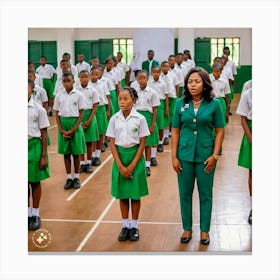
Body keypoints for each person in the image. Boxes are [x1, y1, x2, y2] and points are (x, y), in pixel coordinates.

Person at [171, 67, 225, 245]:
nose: (193, 85)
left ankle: (204, 230)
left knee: (205, 194)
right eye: (190, 82)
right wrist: (174, 156)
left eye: (197, 81)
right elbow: (176, 131)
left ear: (205, 83)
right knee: (185, 193)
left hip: (206, 156)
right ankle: (187, 228)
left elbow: (219, 131)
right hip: (184, 155)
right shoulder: (180, 103)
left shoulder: (214, 104)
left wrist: (215, 155)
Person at [106, 87, 150, 241]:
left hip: (135, 158)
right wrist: (120, 166)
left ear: (134, 101)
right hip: (120, 157)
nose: (122, 102)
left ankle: (135, 226)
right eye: (120, 99)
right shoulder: (114, 118)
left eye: (126, 99)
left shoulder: (140, 119)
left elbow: (143, 143)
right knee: (123, 195)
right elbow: (111, 142)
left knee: (135, 195)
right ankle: (125, 226)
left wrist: (131, 166)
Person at [53, 73, 86, 190]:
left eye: (68, 81)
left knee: (76, 153)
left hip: (75, 124)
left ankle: (76, 177)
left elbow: (81, 113)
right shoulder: (59, 95)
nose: (66, 83)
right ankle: (68, 177)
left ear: (73, 82)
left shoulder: (79, 95)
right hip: (63, 124)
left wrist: (74, 129)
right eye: (64, 81)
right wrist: (61, 129)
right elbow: (56, 113)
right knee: (66, 154)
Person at [28, 79, 50, 230]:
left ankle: (35, 213)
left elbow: (43, 133)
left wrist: (43, 156)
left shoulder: (38, 109)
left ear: (32, 90)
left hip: (34, 146)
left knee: (35, 182)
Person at [134, 70, 160, 176]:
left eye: (144, 78)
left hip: (148, 118)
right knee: (137, 144)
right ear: (136, 79)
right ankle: (138, 165)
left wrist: (152, 125)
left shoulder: (152, 93)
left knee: (148, 144)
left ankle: (147, 166)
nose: (142, 80)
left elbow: (155, 110)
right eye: (140, 78)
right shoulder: (134, 92)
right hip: (136, 118)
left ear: (147, 79)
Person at [75, 70, 100, 173]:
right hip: (79, 117)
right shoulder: (76, 90)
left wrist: (89, 121)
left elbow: (95, 107)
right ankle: (82, 163)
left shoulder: (93, 90)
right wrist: (79, 121)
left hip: (90, 116)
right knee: (80, 142)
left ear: (89, 78)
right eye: (82, 77)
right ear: (79, 78)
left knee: (89, 142)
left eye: (86, 77)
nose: (84, 79)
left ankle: (89, 163)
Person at [236, 86, 252, 224]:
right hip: (252, 132)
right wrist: (251, 139)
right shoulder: (248, 92)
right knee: (253, 172)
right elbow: (243, 119)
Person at [89, 67, 110, 166]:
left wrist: (108, 110)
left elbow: (108, 97)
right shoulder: (87, 86)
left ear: (99, 75)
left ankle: (97, 155)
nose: (94, 76)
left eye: (96, 74)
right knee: (93, 133)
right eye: (92, 74)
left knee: (101, 133)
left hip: (101, 109)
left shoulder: (103, 84)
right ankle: (92, 155)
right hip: (91, 110)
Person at [148, 65, 168, 165]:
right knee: (152, 125)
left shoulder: (163, 83)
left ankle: (160, 142)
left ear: (160, 73)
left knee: (160, 126)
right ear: (151, 73)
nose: (156, 74)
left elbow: (166, 96)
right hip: (150, 104)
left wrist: (166, 108)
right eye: (154, 72)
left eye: (157, 72)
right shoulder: (149, 83)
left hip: (160, 104)